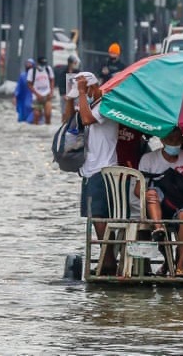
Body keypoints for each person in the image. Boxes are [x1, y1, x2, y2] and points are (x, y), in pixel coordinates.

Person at [73, 72, 119, 275]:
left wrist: (82, 93)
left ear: (94, 87)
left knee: (100, 216)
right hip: (90, 168)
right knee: (95, 217)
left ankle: (108, 261)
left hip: (103, 168)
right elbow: (72, 119)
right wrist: (71, 98)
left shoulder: (106, 106)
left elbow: (86, 119)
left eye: (86, 90)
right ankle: (106, 258)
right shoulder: (91, 105)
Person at [137, 128, 183, 276]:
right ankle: (159, 229)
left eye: (177, 140)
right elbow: (137, 190)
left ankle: (181, 265)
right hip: (157, 205)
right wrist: (147, 195)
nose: (174, 144)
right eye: (170, 140)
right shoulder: (149, 159)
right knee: (152, 191)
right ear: (162, 141)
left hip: (179, 203)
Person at [27, 57, 55, 125]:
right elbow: (29, 84)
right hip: (37, 97)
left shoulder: (48, 69)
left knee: (48, 115)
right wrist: (37, 95)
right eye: (41, 64)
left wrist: (51, 92)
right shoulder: (31, 71)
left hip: (47, 95)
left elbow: (52, 80)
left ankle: (47, 130)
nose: (43, 66)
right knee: (36, 115)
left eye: (44, 64)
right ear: (37, 64)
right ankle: (35, 131)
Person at [13, 58, 34, 123]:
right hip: (23, 101)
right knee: (21, 119)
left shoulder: (36, 76)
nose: (28, 65)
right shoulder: (22, 76)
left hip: (33, 100)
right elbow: (18, 88)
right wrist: (15, 97)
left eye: (30, 64)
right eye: (27, 63)